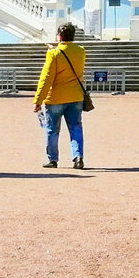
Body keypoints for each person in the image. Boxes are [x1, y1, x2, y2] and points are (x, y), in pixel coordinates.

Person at [33, 22, 88, 169]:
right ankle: (78, 157)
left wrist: (38, 100)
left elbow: (46, 78)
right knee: (76, 128)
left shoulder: (54, 54)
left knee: (52, 130)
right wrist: (56, 50)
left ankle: (53, 159)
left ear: (59, 36)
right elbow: (68, 53)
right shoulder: (81, 51)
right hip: (76, 97)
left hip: (56, 98)